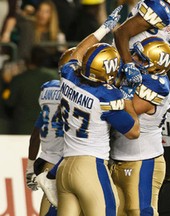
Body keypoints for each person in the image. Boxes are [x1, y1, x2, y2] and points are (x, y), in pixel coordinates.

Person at [38, 5, 141, 215]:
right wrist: (128, 98)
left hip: (65, 167)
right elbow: (133, 131)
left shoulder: (68, 78)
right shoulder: (106, 96)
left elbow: (77, 52)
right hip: (90, 166)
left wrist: (103, 29)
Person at [110, 36, 170, 215]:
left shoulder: (157, 85)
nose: (134, 60)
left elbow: (124, 113)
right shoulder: (138, 76)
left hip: (143, 157)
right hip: (120, 156)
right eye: (135, 55)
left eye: (141, 58)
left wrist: (119, 89)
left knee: (140, 211)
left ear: (156, 65)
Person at [25, 47, 75, 216]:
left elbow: (35, 134)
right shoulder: (79, 93)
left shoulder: (48, 90)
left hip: (47, 159)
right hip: (64, 159)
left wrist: (30, 166)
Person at [113, 0, 170, 91]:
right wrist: (128, 64)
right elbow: (121, 33)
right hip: (131, 61)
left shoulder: (166, 10)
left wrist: (163, 39)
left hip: (145, 60)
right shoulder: (160, 9)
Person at [3, 45, 58, 134]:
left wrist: (5, 84)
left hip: (23, 127)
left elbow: (9, 102)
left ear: (28, 60)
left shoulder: (19, 79)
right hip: (49, 127)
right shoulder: (54, 77)